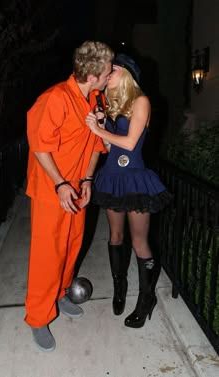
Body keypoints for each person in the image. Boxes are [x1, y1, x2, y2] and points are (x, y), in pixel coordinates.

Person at [25, 40, 114, 351]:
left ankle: (61, 293)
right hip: (52, 190)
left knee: (71, 247)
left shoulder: (94, 99)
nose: (111, 74)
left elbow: (93, 144)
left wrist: (87, 179)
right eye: (108, 70)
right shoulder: (54, 99)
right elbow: (40, 147)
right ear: (93, 74)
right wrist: (61, 184)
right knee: (47, 254)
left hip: (76, 188)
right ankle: (38, 316)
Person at [86, 53, 172, 328]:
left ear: (127, 73)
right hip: (112, 178)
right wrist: (100, 125)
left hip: (135, 179)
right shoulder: (111, 107)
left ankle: (146, 299)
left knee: (138, 241)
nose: (107, 75)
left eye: (112, 70)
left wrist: (99, 131)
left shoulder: (141, 101)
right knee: (115, 236)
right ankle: (119, 288)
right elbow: (112, 149)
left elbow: (132, 142)